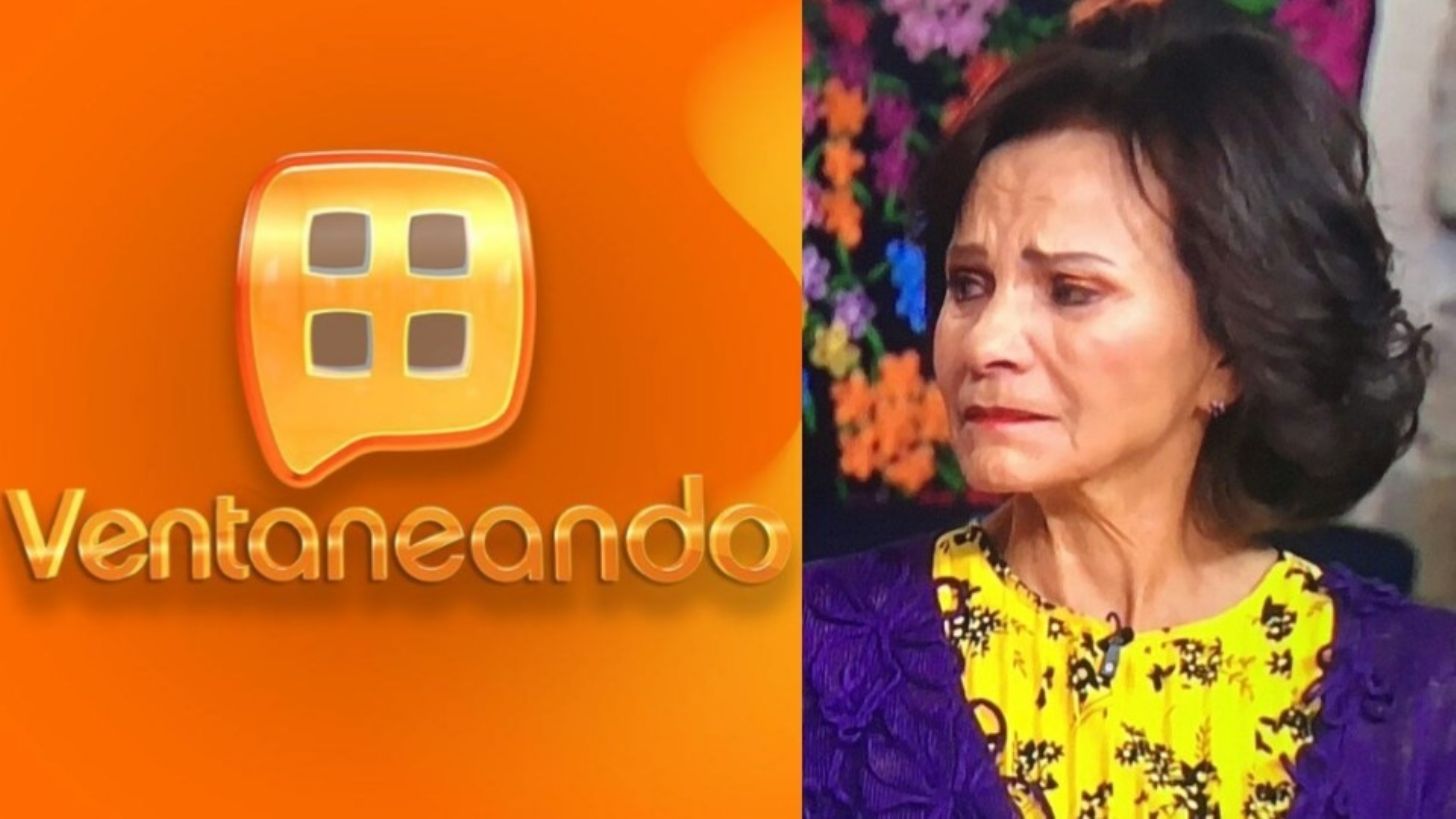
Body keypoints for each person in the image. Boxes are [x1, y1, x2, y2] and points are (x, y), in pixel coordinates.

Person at [802, 1, 1456, 815]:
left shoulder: (1424, 703)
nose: (986, 340)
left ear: (1231, 346)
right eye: (969, 284)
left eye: (1070, 290)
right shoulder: (807, 654)